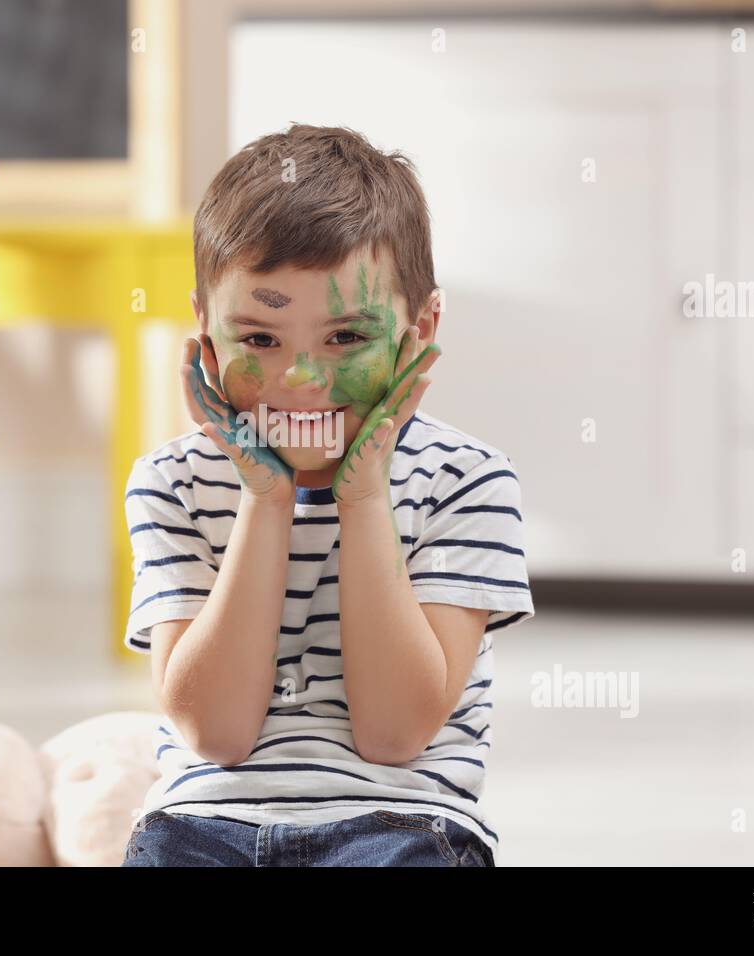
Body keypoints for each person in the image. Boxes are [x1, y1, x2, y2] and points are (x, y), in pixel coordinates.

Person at [120, 123, 534, 866]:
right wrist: (265, 500)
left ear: (421, 329)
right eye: (261, 339)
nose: (302, 379)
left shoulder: (468, 480)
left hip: (400, 827)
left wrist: (366, 496)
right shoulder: (171, 483)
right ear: (206, 337)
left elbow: (394, 735)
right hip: (199, 828)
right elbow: (216, 734)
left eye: (345, 339)